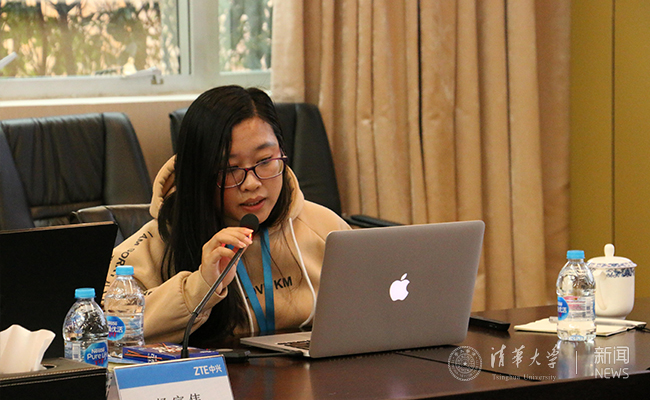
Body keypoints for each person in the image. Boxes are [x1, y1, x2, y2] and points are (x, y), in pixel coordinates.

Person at [103, 85, 350, 347]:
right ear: (199, 174)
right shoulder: (153, 244)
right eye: (230, 169)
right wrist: (200, 285)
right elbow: (103, 331)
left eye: (265, 160)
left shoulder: (325, 227)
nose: (252, 183)